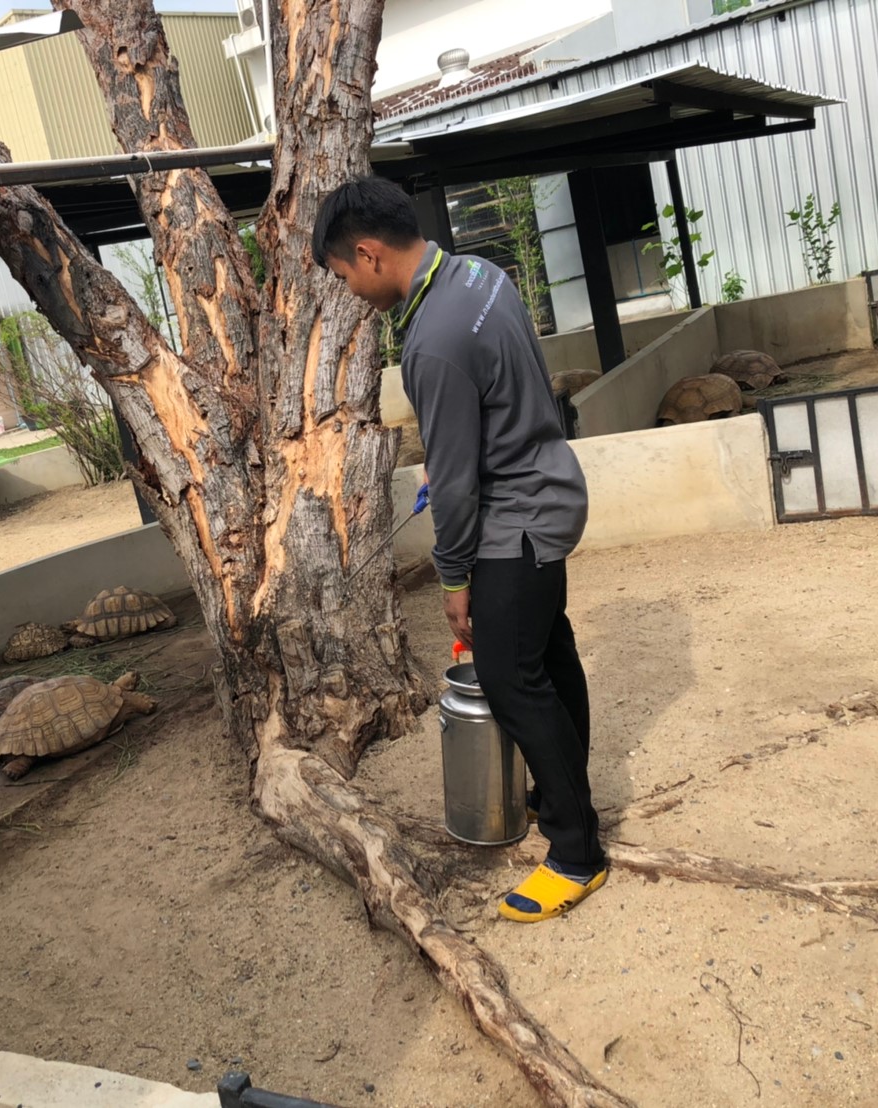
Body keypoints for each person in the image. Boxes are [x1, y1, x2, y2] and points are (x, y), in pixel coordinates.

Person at [312, 176, 606, 922]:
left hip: (516, 522)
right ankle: (565, 793)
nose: (351, 292)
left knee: (512, 680)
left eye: (344, 275)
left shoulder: (432, 343)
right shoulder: (478, 274)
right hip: (549, 490)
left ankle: (576, 853)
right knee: (548, 654)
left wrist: (453, 577)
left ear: (369, 254)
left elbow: (454, 485)